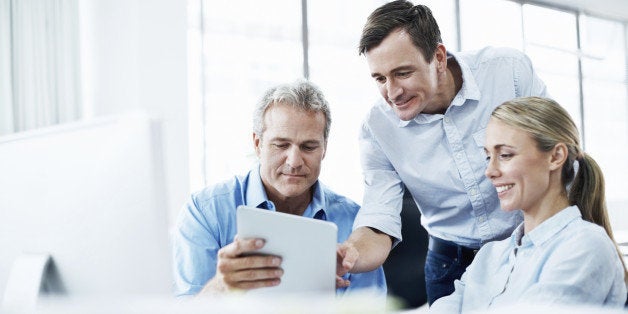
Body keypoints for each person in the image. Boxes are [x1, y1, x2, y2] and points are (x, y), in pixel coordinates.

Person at [336, 0, 549, 305]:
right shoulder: (377, 128)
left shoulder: (507, 73)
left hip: (529, 245)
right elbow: (378, 217)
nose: (392, 92)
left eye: (403, 73)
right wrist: (349, 255)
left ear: (438, 57)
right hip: (451, 263)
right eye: (380, 78)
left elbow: (558, 155)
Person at [172, 80, 386, 296]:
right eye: (281, 145)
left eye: (308, 146)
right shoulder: (205, 212)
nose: (294, 161)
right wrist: (220, 288)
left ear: (324, 149)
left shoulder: (356, 224)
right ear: (258, 144)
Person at [429, 96, 627, 312]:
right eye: (488, 157)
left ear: (556, 156)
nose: (490, 171)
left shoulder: (585, 246)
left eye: (505, 155)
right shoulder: (489, 256)